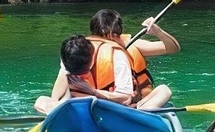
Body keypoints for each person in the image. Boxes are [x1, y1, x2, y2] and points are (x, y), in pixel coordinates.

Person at [34, 9, 177, 114]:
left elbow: (173, 48)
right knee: (41, 100)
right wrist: (55, 106)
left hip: (132, 106)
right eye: (103, 35)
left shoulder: (128, 45)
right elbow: (60, 89)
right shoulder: (81, 51)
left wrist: (158, 31)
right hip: (93, 103)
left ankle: (143, 115)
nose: (109, 39)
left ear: (118, 34)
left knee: (164, 90)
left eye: (112, 35)